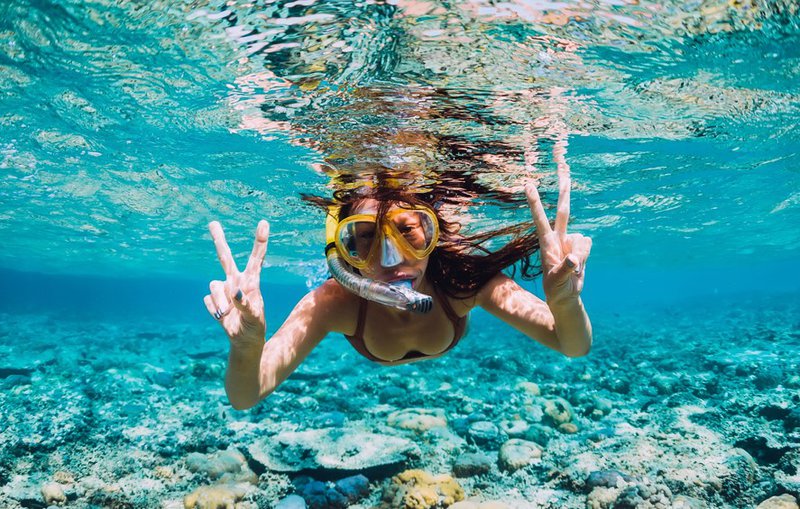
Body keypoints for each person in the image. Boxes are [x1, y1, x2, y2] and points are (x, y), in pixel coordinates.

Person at [203, 162, 593, 411]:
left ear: (433, 236)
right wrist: (247, 347)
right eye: (366, 238)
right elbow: (245, 396)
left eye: (409, 233)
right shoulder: (335, 301)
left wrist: (564, 303)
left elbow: (572, 344)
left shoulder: (459, 283)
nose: (391, 260)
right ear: (345, 252)